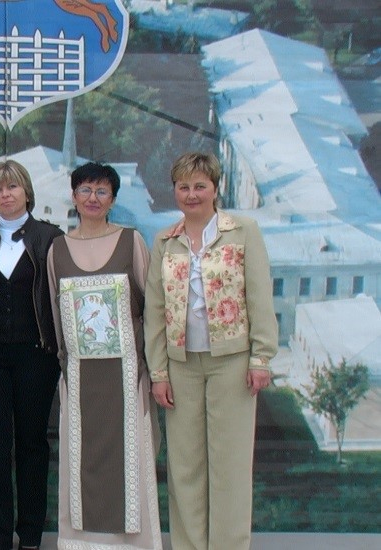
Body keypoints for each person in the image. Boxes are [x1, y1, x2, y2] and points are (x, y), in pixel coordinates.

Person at [144, 152, 278, 550]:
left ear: (216, 189)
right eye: (183, 186)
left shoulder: (244, 231)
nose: (191, 194)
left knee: (230, 465)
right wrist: (159, 372)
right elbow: (154, 310)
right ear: (174, 190)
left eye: (200, 186)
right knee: (184, 466)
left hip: (232, 364)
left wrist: (261, 357)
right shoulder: (164, 241)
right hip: (181, 366)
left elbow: (259, 296)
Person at [47, 162, 162, 549]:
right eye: (85, 190)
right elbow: (55, 315)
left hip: (127, 379)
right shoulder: (57, 250)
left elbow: (152, 307)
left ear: (113, 199)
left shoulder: (132, 242)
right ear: (73, 196)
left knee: (131, 460)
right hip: (80, 382)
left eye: (101, 191)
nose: (92, 198)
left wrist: (151, 369)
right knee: (81, 461)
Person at [0, 160, 63, 550]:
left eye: (13, 187)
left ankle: (31, 534)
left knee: (33, 443)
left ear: (27, 192)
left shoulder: (49, 237)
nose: (6, 194)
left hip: (36, 356)